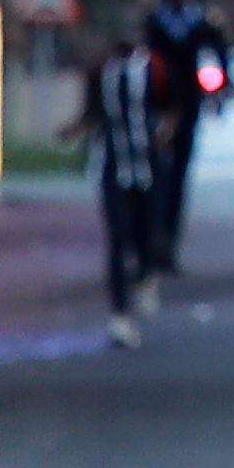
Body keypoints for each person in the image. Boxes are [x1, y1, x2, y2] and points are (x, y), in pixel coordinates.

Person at [134, 0, 216, 290]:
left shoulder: (199, 21)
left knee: (178, 181)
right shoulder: (156, 22)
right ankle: (149, 245)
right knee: (153, 179)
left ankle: (168, 247)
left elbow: (217, 52)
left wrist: (218, 87)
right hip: (156, 105)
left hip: (187, 106)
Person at [81, 35, 155, 342]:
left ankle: (145, 275)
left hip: (148, 166)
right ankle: (120, 314)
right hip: (113, 167)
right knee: (117, 239)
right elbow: (93, 110)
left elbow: (171, 104)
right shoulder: (100, 72)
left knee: (145, 233)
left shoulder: (152, 70)